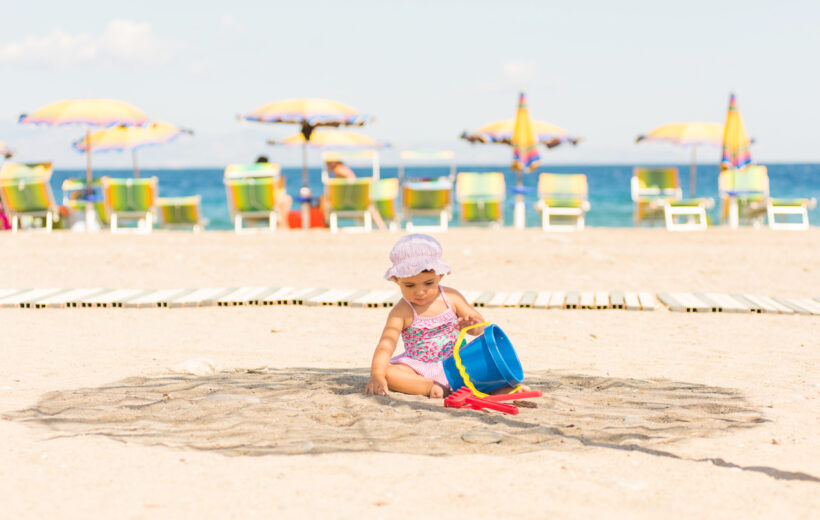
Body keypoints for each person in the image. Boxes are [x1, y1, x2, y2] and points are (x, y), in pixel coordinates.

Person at [365, 234, 486, 398]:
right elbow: (386, 344)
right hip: (418, 367)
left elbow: (480, 327)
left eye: (428, 283)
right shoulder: (401, 311)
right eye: (410, 285)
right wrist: (376, 375)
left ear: (440, 276)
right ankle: (430, 386)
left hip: (456, 361)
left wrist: (472, 326)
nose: (420, 292)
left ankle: (498, 387)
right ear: (396, 280)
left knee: (484, 360)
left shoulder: (451, 297)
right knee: (388, 372)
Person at [321, 158, 387, 231]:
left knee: (324, 200)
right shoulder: (342, 170)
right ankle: (382, 226)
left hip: (344, 203)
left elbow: (351, 178)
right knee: (370, 206)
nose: (327, 165)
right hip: (353, 202)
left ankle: (327, 224)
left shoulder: (339, 170)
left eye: (328, 162)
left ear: (334, 162)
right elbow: (352, 177)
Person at [255, 155, 292, 228]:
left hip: (249, 207)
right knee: (287, 199)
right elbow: (279, 192)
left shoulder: (250, 178)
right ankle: (283, 225)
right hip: (267, 205)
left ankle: (280, 225)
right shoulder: (269, 178)